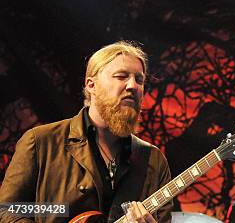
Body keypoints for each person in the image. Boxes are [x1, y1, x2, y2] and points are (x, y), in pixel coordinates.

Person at [0, 41, 172, 223]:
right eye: (121, 76)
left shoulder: (153, 160)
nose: (133, 86)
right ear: (91, 85)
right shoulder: (42, 141)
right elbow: (7, 211)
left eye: (139, 80)